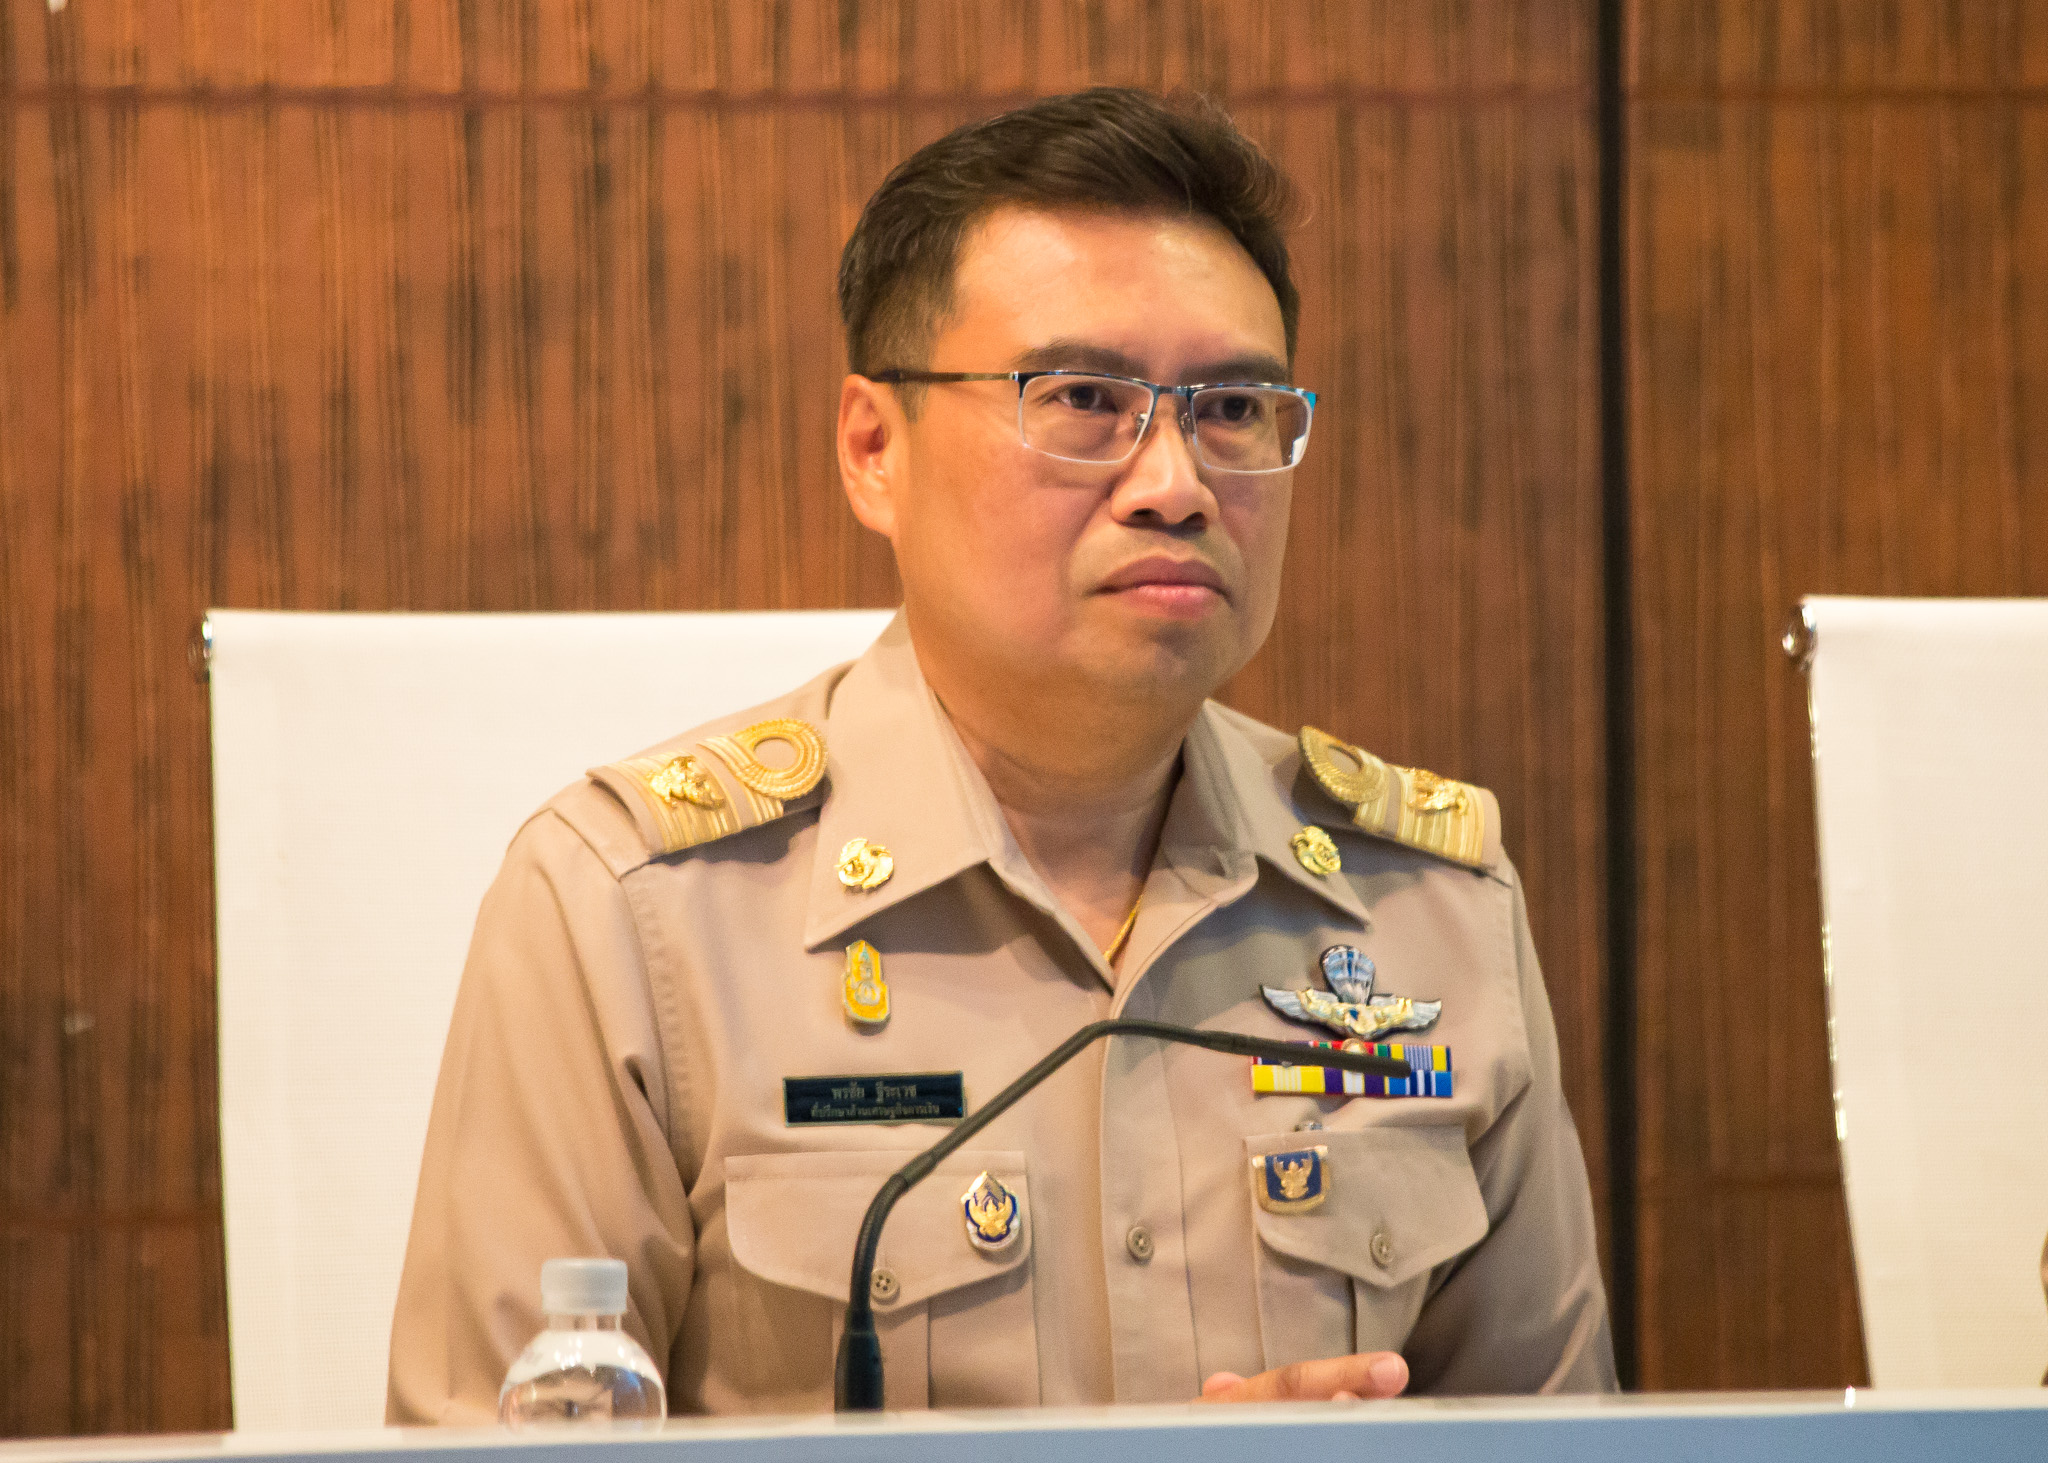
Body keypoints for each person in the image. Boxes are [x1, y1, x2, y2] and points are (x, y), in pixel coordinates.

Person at [387, 86, 1615, 1423]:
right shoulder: (633, 915)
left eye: (1232, 408)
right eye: (1082, 397)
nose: (1176, 484)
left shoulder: (1429, 911)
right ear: (874, 449)